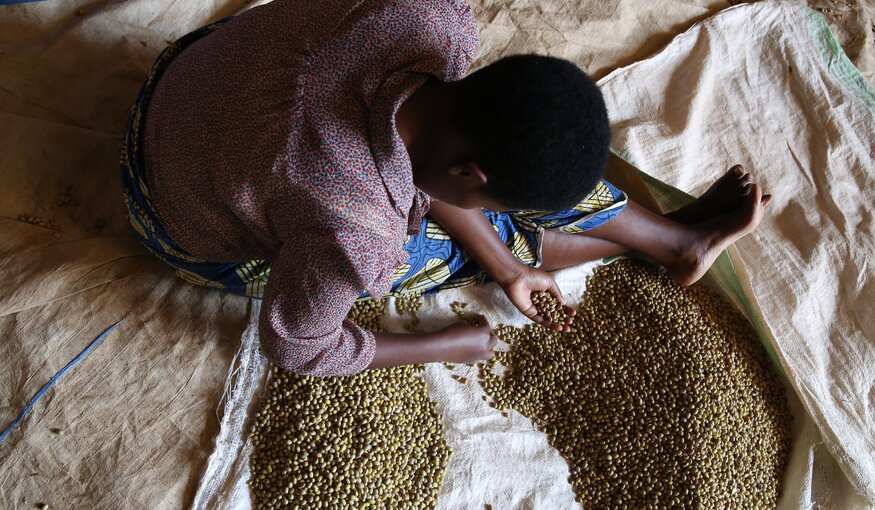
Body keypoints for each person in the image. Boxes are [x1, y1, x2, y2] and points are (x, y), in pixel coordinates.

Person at [120, 0, 771, 377]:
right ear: (467, 176)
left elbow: (437, 175)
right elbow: (295, 345)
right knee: (448, 246)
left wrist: (508, 270)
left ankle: (672, 241)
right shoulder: (356, 232)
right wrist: (442, 345)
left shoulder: (432, 20)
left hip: (195, 79)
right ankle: (665, 244)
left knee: (526, 163)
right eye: (484, 196)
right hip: (170, 200)